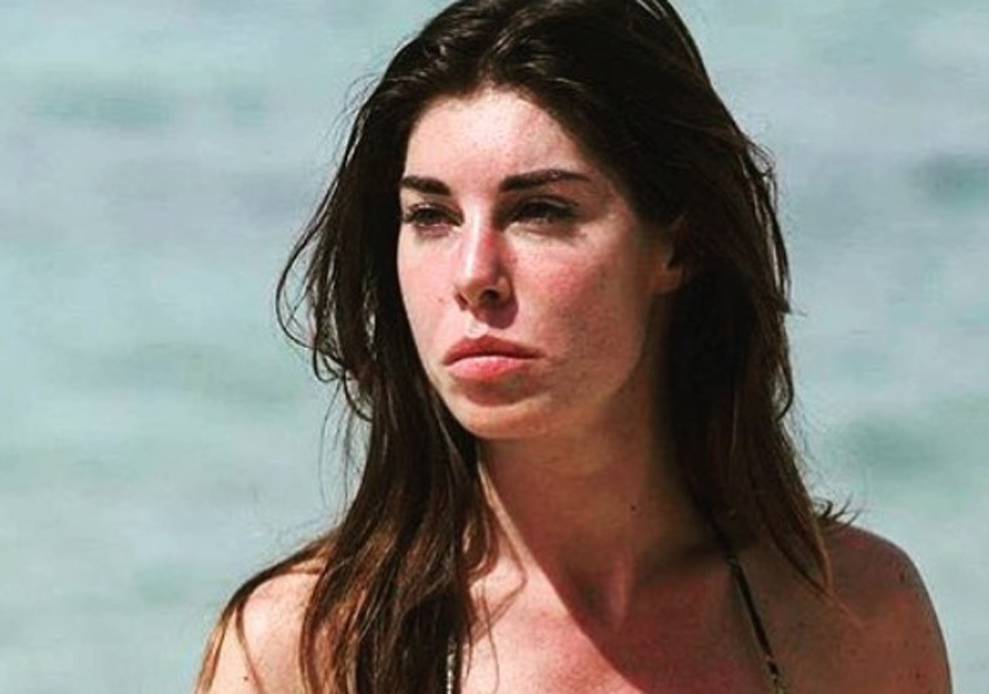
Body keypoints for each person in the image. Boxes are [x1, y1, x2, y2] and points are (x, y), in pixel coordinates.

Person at [195, 0, 951, 691]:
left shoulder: (850, 616)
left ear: (678, 247)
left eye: (541, 210)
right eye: (431, 216)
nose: (474, 274)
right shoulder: (303, 652)